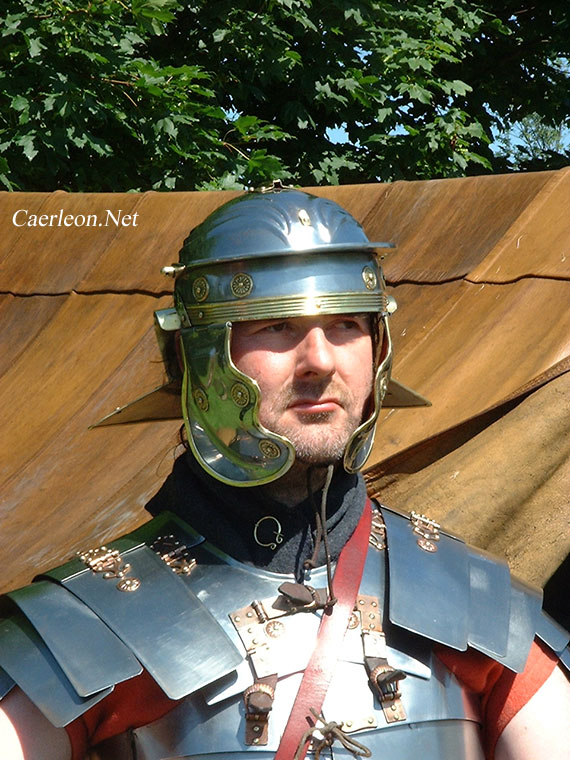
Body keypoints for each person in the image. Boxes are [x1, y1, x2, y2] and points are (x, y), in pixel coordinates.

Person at [0, 184, 568, 760]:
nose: (320, 360)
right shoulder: (91, 619)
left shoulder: (474, 602)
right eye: (275, 325)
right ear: (193, 357)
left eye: (346, 324)